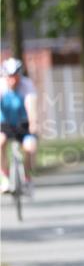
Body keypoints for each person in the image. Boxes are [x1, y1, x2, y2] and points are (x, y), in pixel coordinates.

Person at [1, 57, 38, 195]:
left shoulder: (27, 85)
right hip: (4, 123)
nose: (13, 80)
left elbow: (31, 104)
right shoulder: (1, 86)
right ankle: (4, 177)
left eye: (16, 76)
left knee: (30, 148)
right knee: (0, 142)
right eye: (9, 77)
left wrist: (33, 122)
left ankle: (27, 178)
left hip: (24, 123)